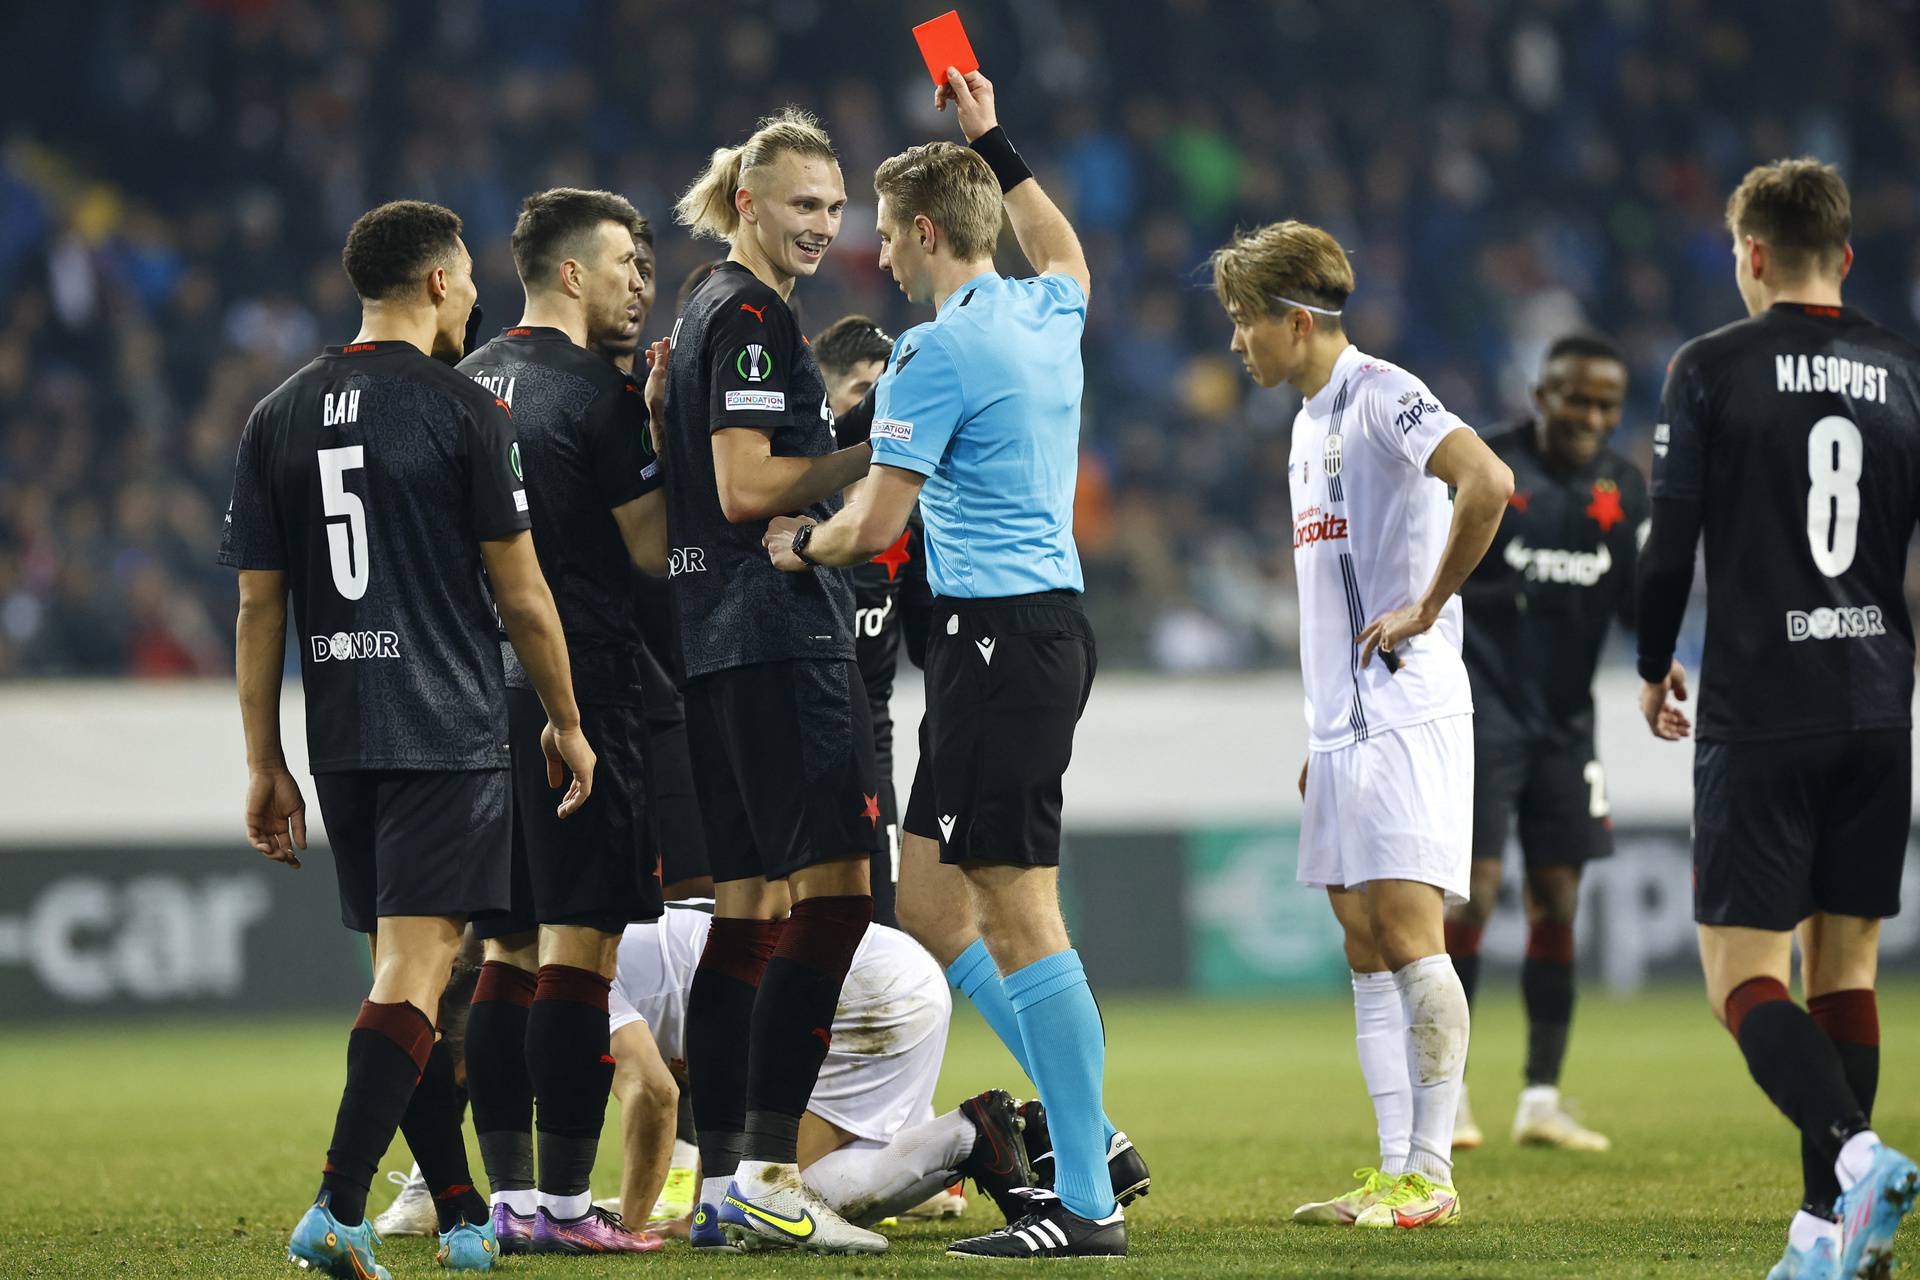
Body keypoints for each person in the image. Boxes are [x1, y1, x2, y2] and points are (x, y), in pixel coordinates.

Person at [761, 66, 1135, 1260]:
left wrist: (793, 541)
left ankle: (1086, 1195)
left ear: (925, 233)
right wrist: (994, 138)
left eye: (884, 236)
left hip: (997, 641)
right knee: (927, 896)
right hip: (1036, 633)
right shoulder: (1048, 310)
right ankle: (1098, 1136)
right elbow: (1062, 246)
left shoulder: (933, 351)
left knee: (1023, 913)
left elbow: (873, 526)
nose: (877, 257)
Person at [221, 199, 594, 1276]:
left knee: (410, 974)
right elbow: (523, 599)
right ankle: (337, 1204)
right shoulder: (466, 409)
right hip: (444, 725)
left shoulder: (277, 413)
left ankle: (465, 1208)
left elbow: (259, 610)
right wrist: (566, 720)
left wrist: (264, 759)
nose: (476, 291)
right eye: (468, 274)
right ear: (437, 282)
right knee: (420, 971)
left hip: (342, 731)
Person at [1635, 157, 1920, 1280]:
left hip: (1762, 706)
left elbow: (1669, 541)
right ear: (1842, 256)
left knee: (1740, 977)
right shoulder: (1905, 369)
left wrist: (1656, 662)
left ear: (1749, 252)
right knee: (1845, 968)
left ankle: (1852, 1160)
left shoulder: (1708, 366)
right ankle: (1827, 1237)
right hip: (1875, 701)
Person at [1210, 219, 1513, 1231]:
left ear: (1297, 321)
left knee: (1409, 930)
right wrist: (1321, 733)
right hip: (1343, 724)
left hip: (1405, 705)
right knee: (1360, 937)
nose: (1236, 342)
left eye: (1245, 322)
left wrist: (1427, 607)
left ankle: (1433, 1169)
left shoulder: (1384, 393)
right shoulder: (1304, 423)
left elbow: (1489, 480)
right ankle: (1393, 1168)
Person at [661, 107, 886, 1255]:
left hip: (713, 639)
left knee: (744, 916)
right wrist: (877, 440)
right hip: (774, 636)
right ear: (750, 201)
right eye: (804, 204)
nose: (824, 226)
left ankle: (715, 1182)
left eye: (836, 209)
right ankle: (765, 1171)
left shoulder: (701, 306)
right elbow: (750, 488)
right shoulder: (748, 313)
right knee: (841, 892)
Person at [455, 188, 670, 1256]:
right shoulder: (594, 390)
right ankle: (570, 1208)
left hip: (471, 698)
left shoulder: (465, 381)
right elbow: (651, 548)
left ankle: (508, 1198)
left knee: (504, 947)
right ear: (573, 273)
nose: (645, 278)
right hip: (575, 699)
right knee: (580, 953)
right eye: (628, 260)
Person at [1445, 332, 1645, 1154]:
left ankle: (1540, 1098)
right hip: (1483, 711)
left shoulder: (1623, 489)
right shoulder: (1490, 468)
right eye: (1577, 398)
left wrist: (1661, 667)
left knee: (1557, 901)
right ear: (1541, 394)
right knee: (1474, 898)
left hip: (1567, 724)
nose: (1592, 416)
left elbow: (1636, 605)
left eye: (1607, 404)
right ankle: (1446, 1096)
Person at [602, 901, 1033, 1236]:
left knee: (764, 1204)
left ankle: (969, 1136)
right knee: (752, 1198)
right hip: (877, 966)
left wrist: (629, 1224)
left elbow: (654, 1093)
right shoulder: (604, 939)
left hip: (858, 988)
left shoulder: (570, 977)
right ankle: (1021, 1138)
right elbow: (725, 1065)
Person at [816, 313, 934, 929]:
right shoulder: (787, 516)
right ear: (824, 400)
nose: (877, 415)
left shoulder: (907, 524)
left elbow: (930, 649)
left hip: (871, 765)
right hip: (791, 755)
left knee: (882, 939)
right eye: (864, 394)